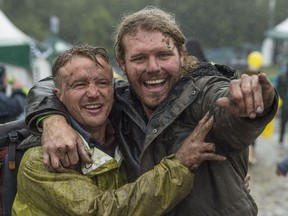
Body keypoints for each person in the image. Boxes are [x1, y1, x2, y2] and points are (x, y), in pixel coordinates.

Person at [24, 6, 278, 216]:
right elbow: (55, 83)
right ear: (122, 64)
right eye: (139, 58)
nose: (152, 67)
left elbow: (226, 109)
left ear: (182, 54)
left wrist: (253, 105)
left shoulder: (203, 91)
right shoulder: (120, 99)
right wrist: (51, 119)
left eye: (163, 54)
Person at [12, 44, 226, 215]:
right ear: (58, 96)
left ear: (114, 89)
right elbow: (101, 210)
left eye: (102, 82)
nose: (94, 93)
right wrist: (180, 165)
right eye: (80, 85)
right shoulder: (43, 158)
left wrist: (218, 178)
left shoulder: (126, 132)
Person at [275, 63, 288, 145]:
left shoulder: (282, 77)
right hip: (285, 103)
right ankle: (281, 139)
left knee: (283, 122)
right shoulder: (282, 77)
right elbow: (278, 89)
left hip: (285, 102)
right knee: (283, 122)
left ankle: (281, 139)